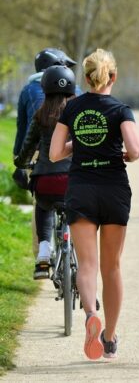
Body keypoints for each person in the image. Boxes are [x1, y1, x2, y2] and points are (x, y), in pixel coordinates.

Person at [50, 48, 139, 361]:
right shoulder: (120, 109)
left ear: (86, 78)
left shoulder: (72, 108)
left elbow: (54, 153)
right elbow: (135, 150)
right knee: (111, 267)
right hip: (114, 189)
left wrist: (80, 142)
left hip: (82, 189)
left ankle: (91, 314)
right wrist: (121, 152)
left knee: (87, 265)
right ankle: (110, 337)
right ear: (112, 76)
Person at [14, 65, 76, 279]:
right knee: (80, 213)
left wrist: (21, 162)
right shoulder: (77, 113)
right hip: (72, 181)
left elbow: (28, 146)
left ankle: (43, 253)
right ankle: (84, 266)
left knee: (43, 207)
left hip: (45, 181)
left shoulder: (40, 115)